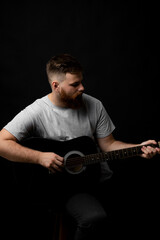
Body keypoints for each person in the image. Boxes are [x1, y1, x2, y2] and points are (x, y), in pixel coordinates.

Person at [0, 53, 159, 240]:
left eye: (81, 82)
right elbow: (1, 143)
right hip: (67, 187)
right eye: (75, 84)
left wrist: (139, 148)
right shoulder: (38, 111)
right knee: (94, 218)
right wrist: (39, 157)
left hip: (99, 179)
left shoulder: (94, 105)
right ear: (56, 86)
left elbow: (109, 145)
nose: (82, 88)